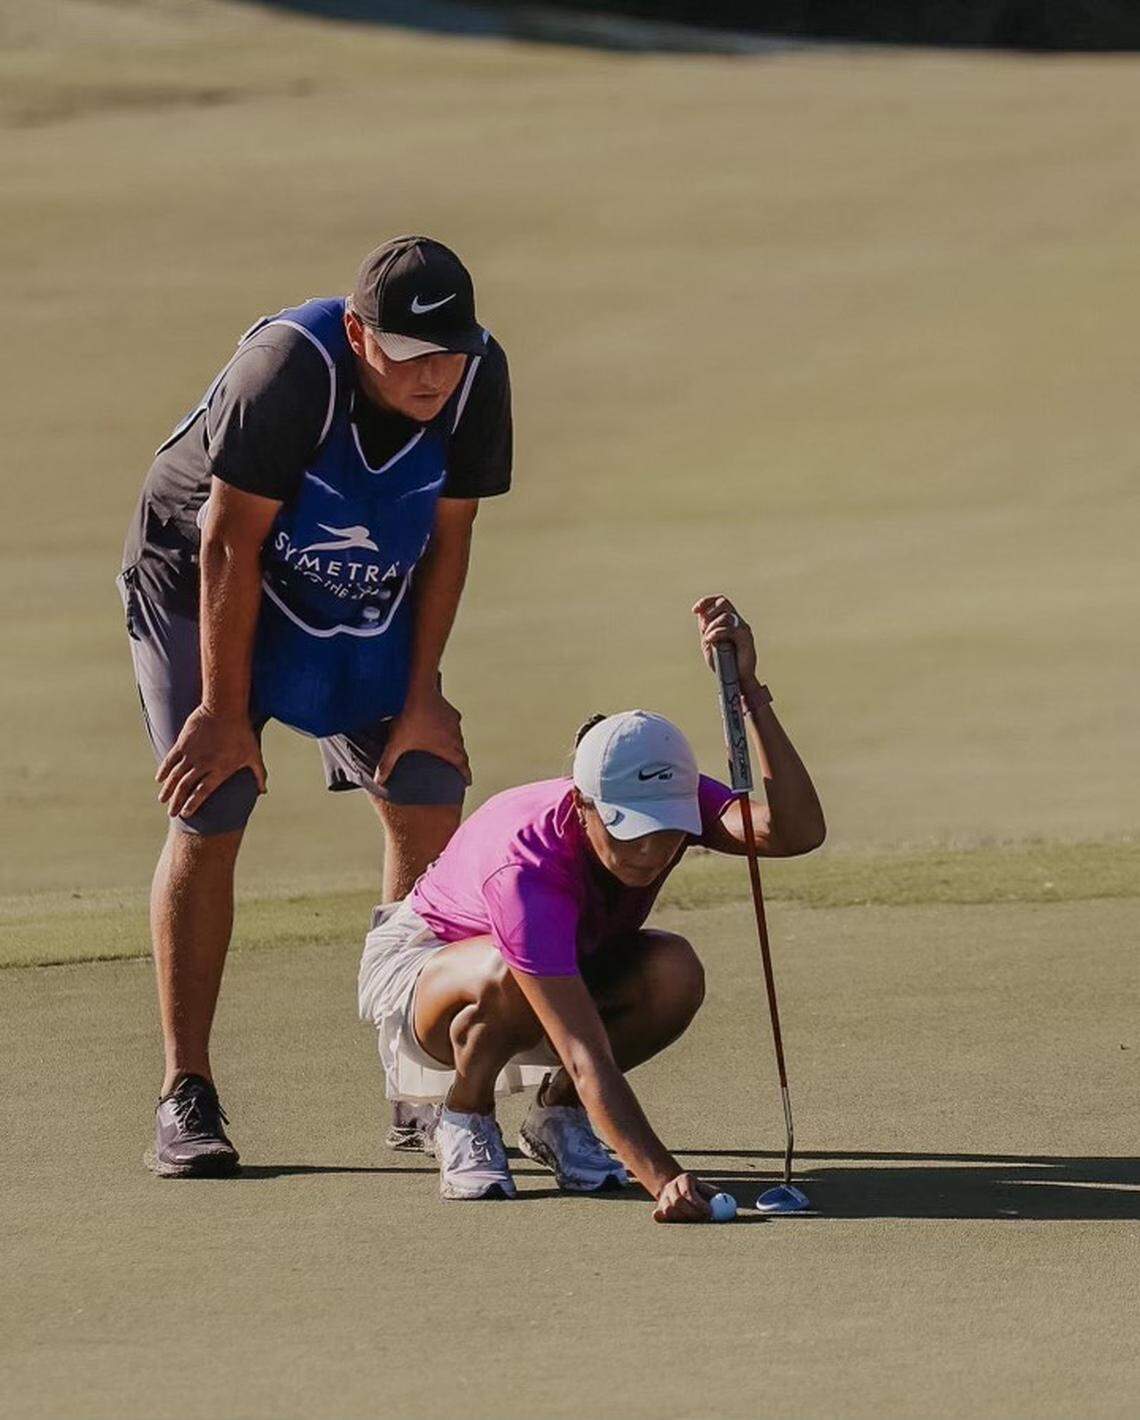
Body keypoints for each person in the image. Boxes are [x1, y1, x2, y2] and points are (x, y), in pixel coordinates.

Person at [119, 236, 512, 1175]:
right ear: (358, 333)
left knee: (426, 781)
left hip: (347, 573)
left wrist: (423, 694)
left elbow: (450, 537)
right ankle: (185, 1092)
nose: (434, 374)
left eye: (449, 351)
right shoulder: (288, 370)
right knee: (214, 797)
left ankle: (417, 1077)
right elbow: (228, 542)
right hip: (200, 575)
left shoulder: (477, 378)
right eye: (410, 354)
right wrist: (223, 714)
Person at [357, 596, 825, 1221]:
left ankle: (557, 1118)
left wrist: (749, 695)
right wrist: (663, 1178)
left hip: (565, 957)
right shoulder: (527, 865)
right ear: (583, 805)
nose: (650, 851)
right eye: (628, 831)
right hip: (428, 971)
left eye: (665, 831)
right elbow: (584, 1052)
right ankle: (464, 1115)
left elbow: (795, 832)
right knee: (505, 974)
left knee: (673, 970)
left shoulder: (677, 804)